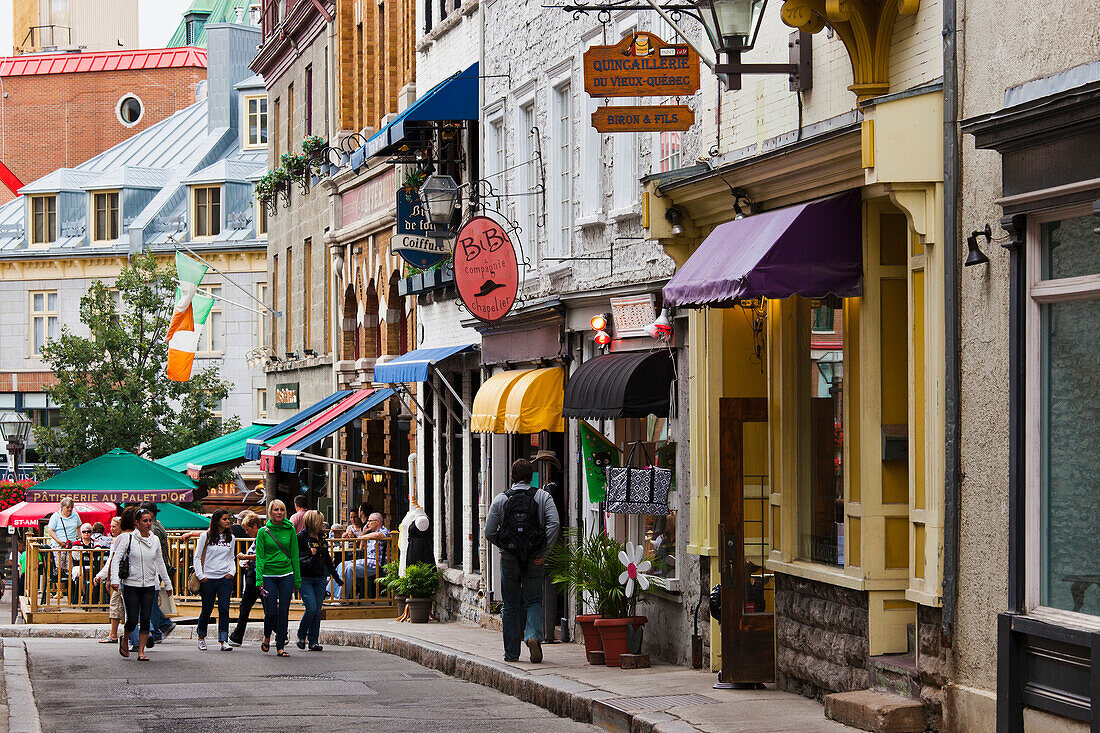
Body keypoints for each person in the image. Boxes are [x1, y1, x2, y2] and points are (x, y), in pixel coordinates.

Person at [485, 459, 560, 664]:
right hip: (535, 557)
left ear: (512, 477)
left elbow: (488, 531)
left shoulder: (500, 499)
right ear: (531, 476)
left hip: (509, 559)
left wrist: (505, 545)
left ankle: (511, 653)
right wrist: (544, 552)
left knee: (510, 604)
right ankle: (533, 636)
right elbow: (554, 523)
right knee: (534, 600)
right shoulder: (543, 496)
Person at [110, 508, 172, 661]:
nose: (148, 523)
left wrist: (168, 584)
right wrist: (114, 580)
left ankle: (141, 651)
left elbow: (160, 562)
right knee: (131, 618)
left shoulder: (155, 539)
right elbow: (116, 559)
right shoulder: (127, 538)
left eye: (150, 520)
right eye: (145, 521)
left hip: (149, 584)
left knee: (145, 618)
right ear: (137, 523)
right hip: (131, 584)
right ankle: (125, 637)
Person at [255, 499, 300, 656]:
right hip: (268, 576)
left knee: (284, 611)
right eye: (276, 509)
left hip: (286, 574)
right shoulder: (263, 532)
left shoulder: (290, 530)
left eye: (282, 509)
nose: (279, 512)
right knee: (271, 612)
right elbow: (259, 557)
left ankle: (280, 646)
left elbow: (295, 555)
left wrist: (297, 578)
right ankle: (267, 636)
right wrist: (258, 579)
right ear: (270, 512)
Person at [296, 510, 341, 651]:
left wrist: (336, 576)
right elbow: (295, 557)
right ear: (313, 522)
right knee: (311, 607)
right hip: (305, 577)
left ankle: (313, 640)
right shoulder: (301, 537)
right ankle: (301, 634)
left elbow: (327, 557)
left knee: (317, 611)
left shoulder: (322, 537)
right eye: (320, 521)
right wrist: (309, 552)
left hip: (320, 577)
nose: (322, 524)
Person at [194, 509, 236, 651]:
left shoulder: (231, 538)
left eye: (228, 518)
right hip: (208, 578)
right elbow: (197, 557)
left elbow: (231, 557)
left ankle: (223, 640)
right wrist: (201, 575)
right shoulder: (205, 536)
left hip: (224, 578)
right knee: (207, 609)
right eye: (225, 519)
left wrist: (232, 572)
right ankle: (201, 636)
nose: (228, 521)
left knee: (224, 609)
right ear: (217, 521)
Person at [332, 512, 390, 600]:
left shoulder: (384, 531)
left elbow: (379, 535)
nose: (368, 523)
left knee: (350, 568)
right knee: (342, 564)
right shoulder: (370, 533)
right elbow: (361, 546)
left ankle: (342, 598)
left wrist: (362, 537)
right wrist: (363, 533)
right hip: (367, 561)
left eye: (370, 521)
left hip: (376, 563)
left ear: (378, 522)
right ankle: (333, 594)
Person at [228, 512, 264, 647]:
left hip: (256, 575)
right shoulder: (260, 535)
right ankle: (237, 635)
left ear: (255, 526)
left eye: (248, 530)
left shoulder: (261, 535)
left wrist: (245, 558)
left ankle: (237, 636)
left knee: (246, 606)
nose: (247, 533)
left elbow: (261, 554)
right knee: (264, 606)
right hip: (257, 573)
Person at [93, 514, 128, 643]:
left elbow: (112, 561)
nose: (111, 529)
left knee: (115, 606)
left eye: (114, 526)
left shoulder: (119, 540)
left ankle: (113, 635)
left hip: (118, 578)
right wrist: (101, 575)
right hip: (120, 577)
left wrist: (107, 578)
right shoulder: (123, 539)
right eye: (111, 526)